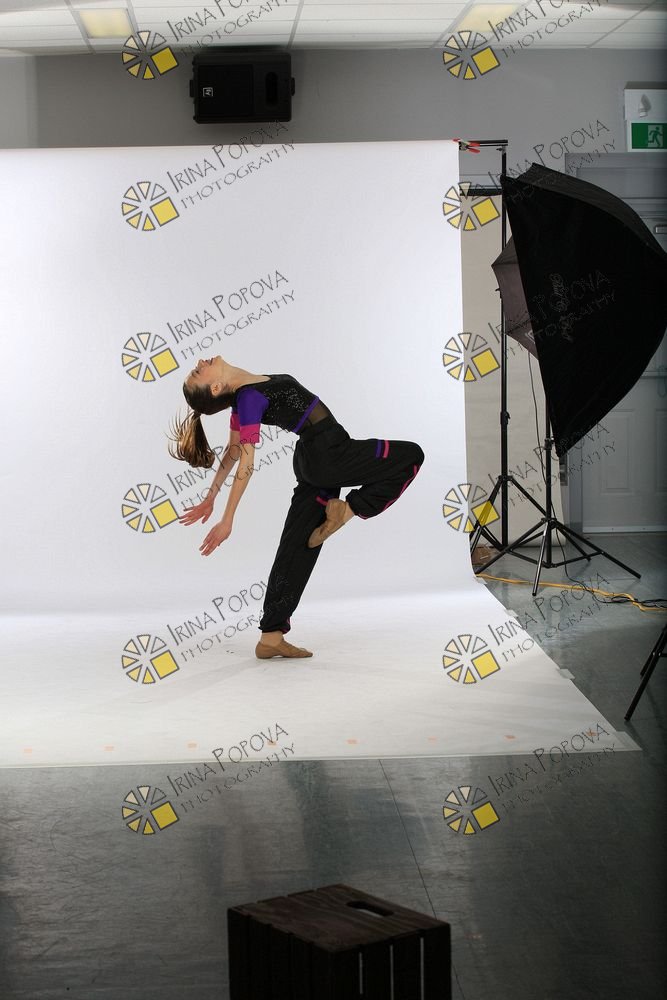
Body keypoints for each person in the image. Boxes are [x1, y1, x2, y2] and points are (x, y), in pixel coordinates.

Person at [167, 355, 424, 659]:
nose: (200, 361)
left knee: (297, 545)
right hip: (330, 452)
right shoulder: (247, 399)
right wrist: (227, 519)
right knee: (410, 456)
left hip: (311, 461)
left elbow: (233, 450)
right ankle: (348, 509)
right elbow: (245, 462)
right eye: (198, 372)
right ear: (216, 387)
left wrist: (210, 497)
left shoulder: (243, 397)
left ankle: (271, 635)